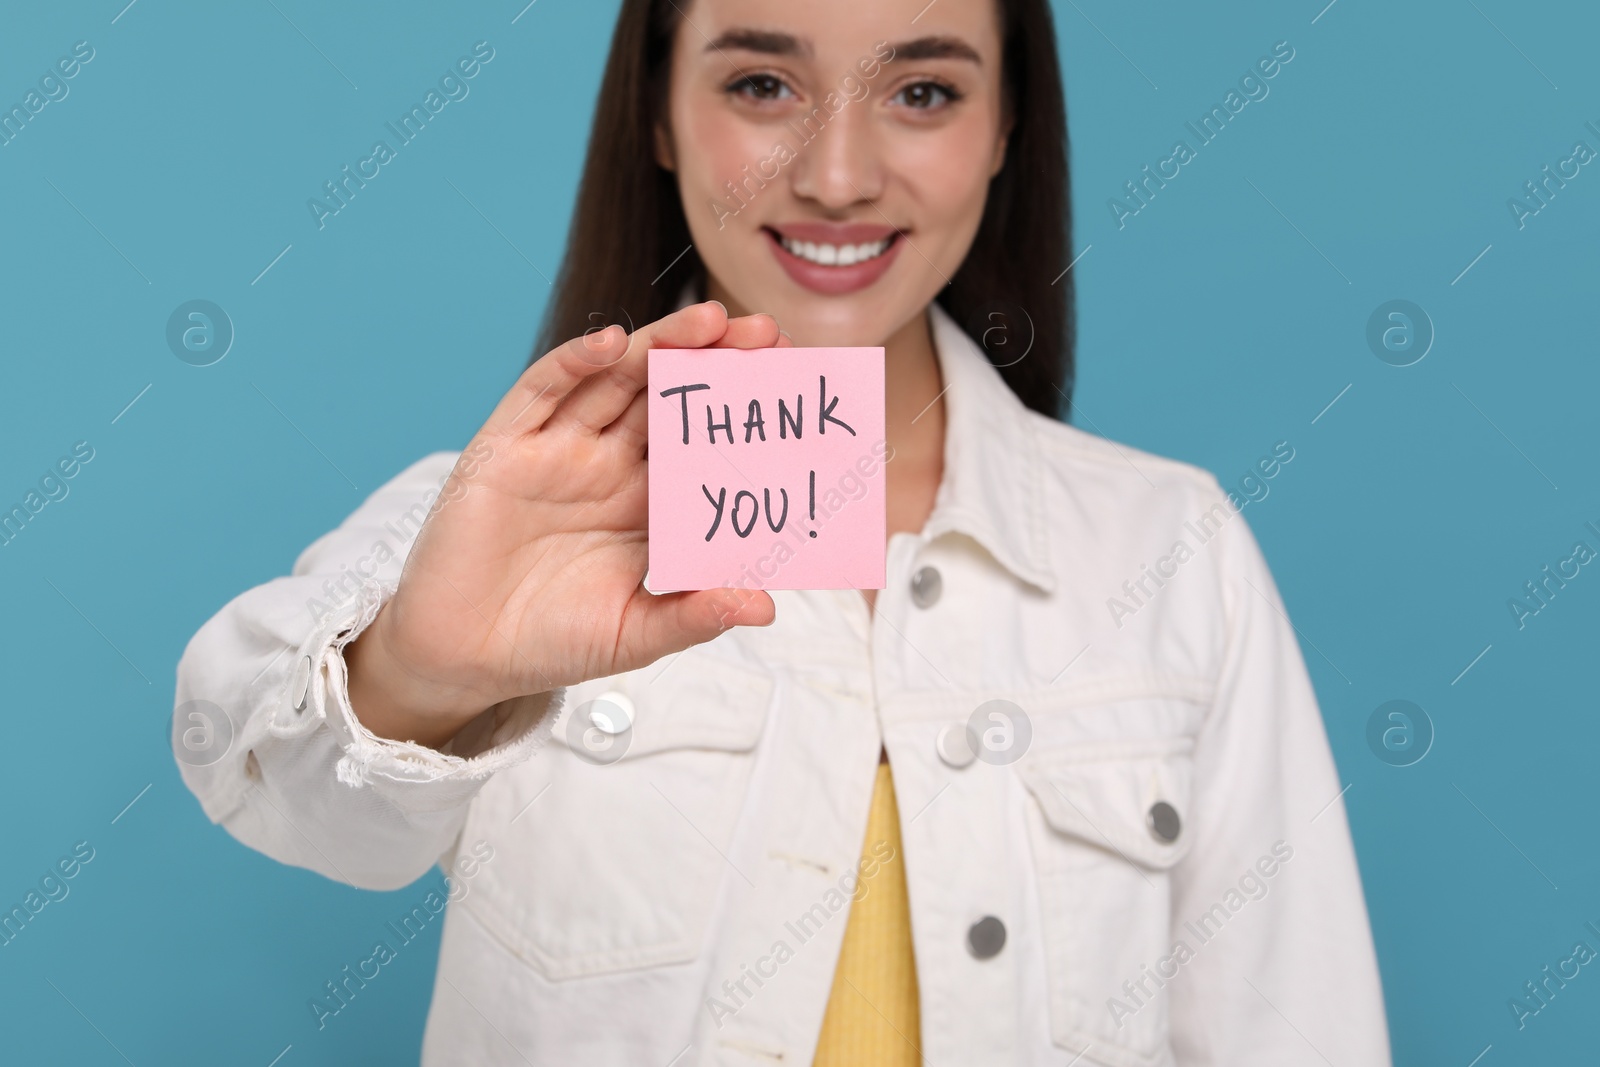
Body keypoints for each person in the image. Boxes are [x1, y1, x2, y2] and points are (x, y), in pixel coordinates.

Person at [173, 0, 1391, 1063]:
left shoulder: (1170, 550)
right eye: (763, 83)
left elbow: (1296, 1027)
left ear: (1007, 122)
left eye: (923, 90)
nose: (839, 174)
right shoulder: (500, 519)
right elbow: (270, 782)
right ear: (656, 109)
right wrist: (417, 675)